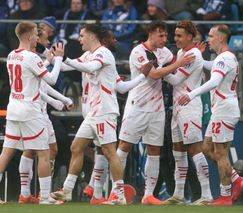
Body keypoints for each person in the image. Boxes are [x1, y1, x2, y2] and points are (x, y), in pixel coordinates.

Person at [0, 21, 65, 205]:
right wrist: (58, 58)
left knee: (7, 152)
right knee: (43, 153)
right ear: (29, 36)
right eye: (36, 34)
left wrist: (47, 61)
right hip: (30, 110)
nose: (37, 37)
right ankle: (45, 197)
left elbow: (30, 75)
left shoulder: (11, 55)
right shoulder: (31, 56)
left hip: (13, 108)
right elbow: (50, 80)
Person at [116, 20, 195, 205]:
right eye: (161, 35)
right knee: (124, 147)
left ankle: (148, 195)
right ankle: (116, 192)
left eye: (166, 35)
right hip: (137, 106)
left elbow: (171, 71)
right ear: (150, 34)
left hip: (157, 108)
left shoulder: (165, 52)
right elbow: (154, 74)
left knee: (154, 150)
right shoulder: (138, 52)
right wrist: (179, 63)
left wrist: (190, 54)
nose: (165, 39)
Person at [50, 24, 127, 205]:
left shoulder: (103, 53)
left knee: (109, 151)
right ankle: (67, 190)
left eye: (82, 35)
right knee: (76, 147)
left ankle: (119, 194)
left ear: (92, 36)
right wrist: (52, 58)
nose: (80, 39)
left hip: (105, 111)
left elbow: (90, 68)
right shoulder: (87, 54)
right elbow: (65, 67)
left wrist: (65, 58)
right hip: (93, 113)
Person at [80, 28, 151, 204]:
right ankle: (103, 190)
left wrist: (142, 75)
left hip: (91, 107)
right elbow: (91, 68)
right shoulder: (101, 55)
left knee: (97, 150)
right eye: (112, 38)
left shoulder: (95, 57)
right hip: (100, 108)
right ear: (103, 40)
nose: (116, 41)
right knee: (108, 151)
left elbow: (121, 87)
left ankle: (93, 190)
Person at [179, 24, 243, 206]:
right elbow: (211, 66)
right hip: (221, 109)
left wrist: (192, 94)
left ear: (221, 38)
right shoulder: (223, 58)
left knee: (221, 153)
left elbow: (215, 80)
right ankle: (236, 179)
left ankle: (225, 197)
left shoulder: (224, 58)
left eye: (210, 36)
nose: (207, 39)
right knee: (207, 148)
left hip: (225, 109)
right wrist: (199, 58)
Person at [17, 28, 74, 204]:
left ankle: (28, 194)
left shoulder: (33, 57)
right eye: (45, 39)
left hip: (40, 110)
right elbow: (45, 83)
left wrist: (60, 100)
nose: (48, 43)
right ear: (35, 39)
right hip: (35, 111)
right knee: (38, 151)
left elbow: (41, 87)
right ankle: (39, 194)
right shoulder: (32, 57)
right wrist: (56, 61)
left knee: (50, 150)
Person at [163, 20, 213, 205]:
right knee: (178, 151)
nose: (175, 39)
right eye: (175, 35)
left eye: (179, 36)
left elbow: (175, 80)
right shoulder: (182, 53)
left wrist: (159, 70)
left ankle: (207, 194)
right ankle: (178, 194)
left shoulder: (193, 55)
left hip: (190, 107)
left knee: (194, 149)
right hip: (177, 106)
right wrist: (170, 67)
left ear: (190, 37)